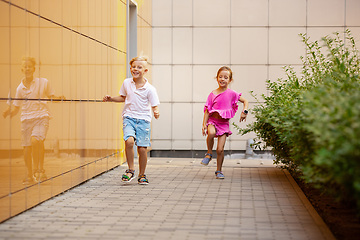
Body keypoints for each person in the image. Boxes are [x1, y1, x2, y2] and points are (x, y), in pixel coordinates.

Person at [3, 57, 64, 184]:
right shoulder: (20, 88)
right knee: (26, 148)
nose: (27, 69)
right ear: (22, 69)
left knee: (36, 140)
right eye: (25, 67)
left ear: (34, 69)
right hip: (26, 119)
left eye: (29, 66)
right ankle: (29, 174)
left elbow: (52, 97)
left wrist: (60, 98)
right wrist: (9, 111)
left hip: (41, 116)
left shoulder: (43, 82)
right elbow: (16, 108)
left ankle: (39, 169)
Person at [103, 56, 160, 185]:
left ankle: (142, 174)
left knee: (142, 149)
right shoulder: (127, 83)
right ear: (130, 68)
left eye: (139, 67)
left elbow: (154, 104)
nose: (136, 69)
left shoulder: (150, 89)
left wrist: (156, 111)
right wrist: (111, 98)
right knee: (129, 142)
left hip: (144, 120)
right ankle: (130, 170)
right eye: (134, 67)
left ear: (145, 71)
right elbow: (123, 97)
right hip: (129, 117)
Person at [201, 66, 249, 179]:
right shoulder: (212, 94)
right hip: (212, 121)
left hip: (224, 124)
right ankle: (208, 153)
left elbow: (245, 101)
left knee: (220, 149)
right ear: (217, 78)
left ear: (230, 80)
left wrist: (244, 111)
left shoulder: (232, 93)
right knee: (211, 133)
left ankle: (219, 170)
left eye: (226, 77)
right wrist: (204, 124)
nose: (222, 79)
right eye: (220, 77)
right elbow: (208, 110)